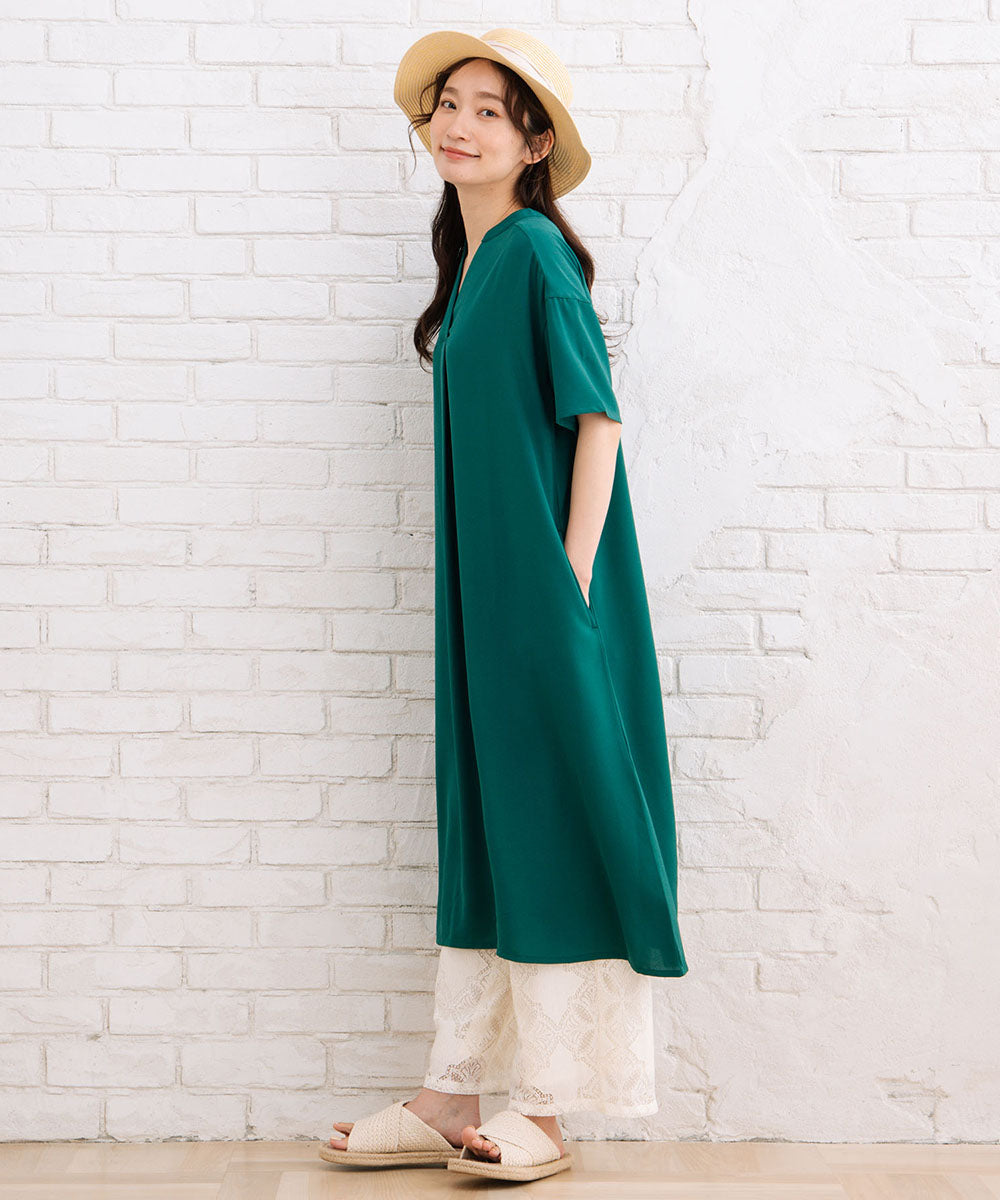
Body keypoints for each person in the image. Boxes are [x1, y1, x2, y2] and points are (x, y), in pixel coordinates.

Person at [319, 28, 688, 1183]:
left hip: (546, 591)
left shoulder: (531, 252)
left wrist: (568, 580)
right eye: (448, 104)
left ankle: (552, 1106)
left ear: (533, 145)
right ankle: (453, 1089)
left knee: (554, 816)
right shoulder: (478, 264)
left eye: (489, 109)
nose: (459, 123)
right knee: (490, 818)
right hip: (491, 596)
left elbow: (599, 419)